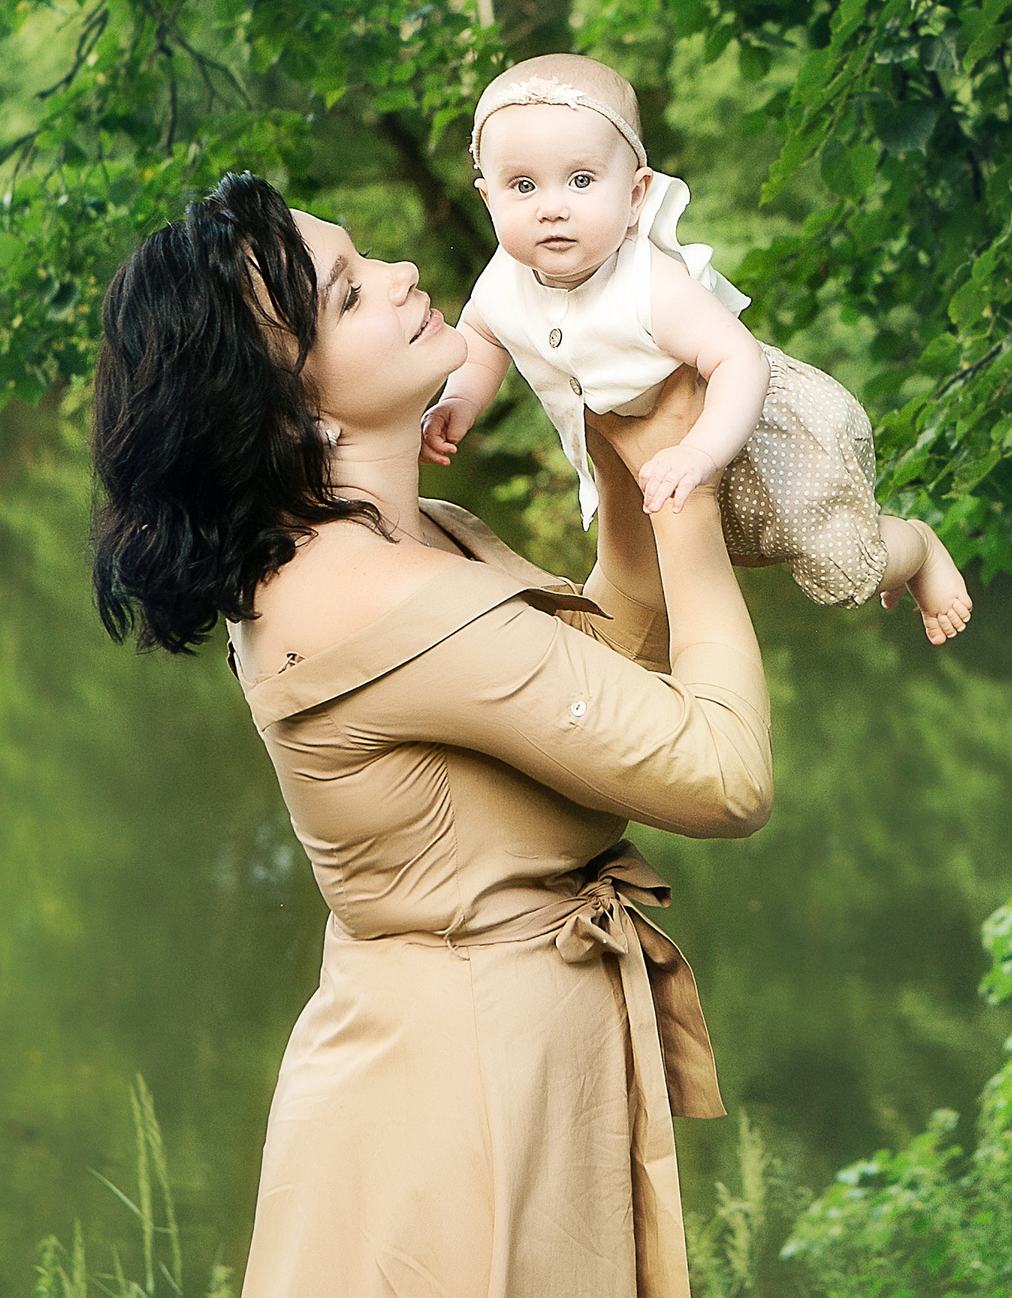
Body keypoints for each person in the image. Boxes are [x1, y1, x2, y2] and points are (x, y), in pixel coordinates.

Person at [88, 170, 770, 1298]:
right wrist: (687, 503)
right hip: (463, 1105)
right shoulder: (376, 598)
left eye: (368, 259)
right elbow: (724, 774)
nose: (403, 274)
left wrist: (626, 441)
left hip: (493, 1060)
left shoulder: (409, 541)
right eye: (350, 293)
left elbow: (604, 665)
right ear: (289, 412)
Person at [419, 53, 974, 645]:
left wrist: (702, 453)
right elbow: (484, 334)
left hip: (761, 430)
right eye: (523, 186)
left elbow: (739, 359)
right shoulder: (504, 279)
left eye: (581, 181)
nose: (551, 207)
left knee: (840, 568)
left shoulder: (650, 285)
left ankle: (916, 546)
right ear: (488, 199)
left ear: (636, 194)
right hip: (670, 454)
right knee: (714, 559)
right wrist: (460, 402)